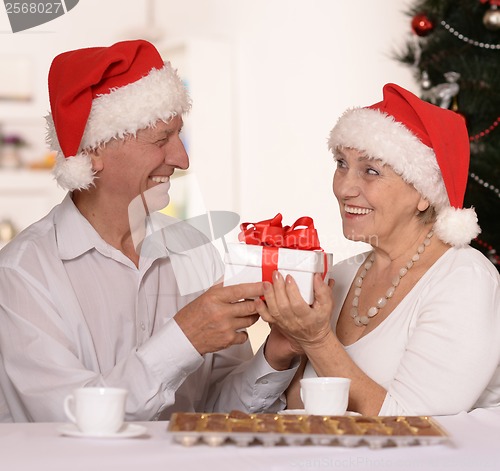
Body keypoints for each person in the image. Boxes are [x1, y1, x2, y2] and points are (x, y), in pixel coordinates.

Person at [0, 39, 298, 422]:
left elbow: (214, 414)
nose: (182, 159)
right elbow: (72, 422)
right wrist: (183, 338)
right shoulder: (22, 275)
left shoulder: (193, 249)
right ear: (94, 150)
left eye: (179, 135)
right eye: (161, 140)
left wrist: (277, 353)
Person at [256, 83, 500, 416]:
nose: (344, 188)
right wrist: (284, 345)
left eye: (371, 171)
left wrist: (316, 340)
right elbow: (295, 412)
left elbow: (415, 428)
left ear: (424, 192)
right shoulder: (340, 275)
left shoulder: (464, 280)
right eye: (341, 163)